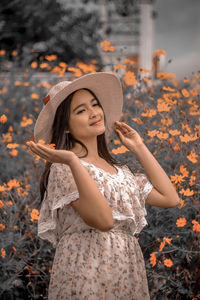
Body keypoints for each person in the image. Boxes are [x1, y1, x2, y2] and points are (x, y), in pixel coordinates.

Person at [26, 72, 180, 300]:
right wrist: (71, 159)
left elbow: (171, 199)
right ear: (66, 126)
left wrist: (138, 147)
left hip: (125, 270)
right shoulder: (64, 168)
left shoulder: (121, 172)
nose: (94, 113)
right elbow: (104, 221)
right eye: (81, 110)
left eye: (94, 104)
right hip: (86, 269)